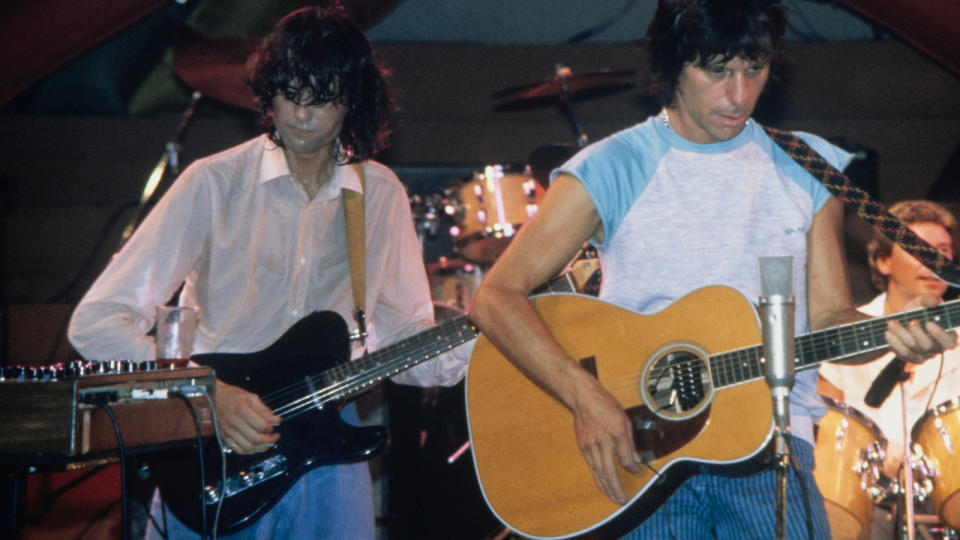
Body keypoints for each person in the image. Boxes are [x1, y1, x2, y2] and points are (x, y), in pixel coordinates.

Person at [468, 0, 955, 538]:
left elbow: (829, 320)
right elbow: (496, 296)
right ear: (674, 64)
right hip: (643, 455)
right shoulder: (613, 166)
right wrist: (584, 395)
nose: (740, 95)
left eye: (755, 69)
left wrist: (890, 331)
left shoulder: (809, 167)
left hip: (771, 453)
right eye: (717, 70)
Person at [67, 5, 469, 539]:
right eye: (290, 92)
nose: (302, 113)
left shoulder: (380, 195)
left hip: (328, 440)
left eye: (321, 96)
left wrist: (484, 335)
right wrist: (208, 391)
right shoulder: (212, 183)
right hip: (214, 437)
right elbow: (95, 322)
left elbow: (401, 340)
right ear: (269, 93)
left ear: (351, 101)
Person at [819, 199, 960, 538]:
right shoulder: (846, 333)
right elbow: (826, 426)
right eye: (917, 249)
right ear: (883, 261)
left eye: (942, 249)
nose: (934, 261)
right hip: (869, 502)